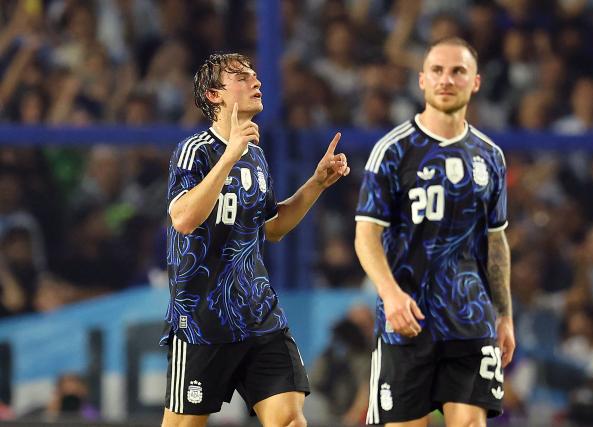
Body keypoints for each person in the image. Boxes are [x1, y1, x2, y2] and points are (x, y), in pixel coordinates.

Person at [161, 53, 350, 427]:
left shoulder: (257, 157)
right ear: (215, 95)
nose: (256, 82)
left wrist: (316, 183)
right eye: (242, 78)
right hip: (202, 321)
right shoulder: (195, 150)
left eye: (255, 76)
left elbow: (273, 228)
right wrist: (229, 157)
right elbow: (183, 219)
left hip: (259, 315)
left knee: (290, 421)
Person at [354, 37, 515, 426]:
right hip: (408, 320)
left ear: (475, 82)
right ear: (422, 80)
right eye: (438, 71)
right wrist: (390, 294)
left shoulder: (490, 156)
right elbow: (366, 236)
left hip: (471, 318)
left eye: (458, 71)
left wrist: (506, 315)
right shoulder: (393, 150)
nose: (447, 79)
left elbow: (496, 240)